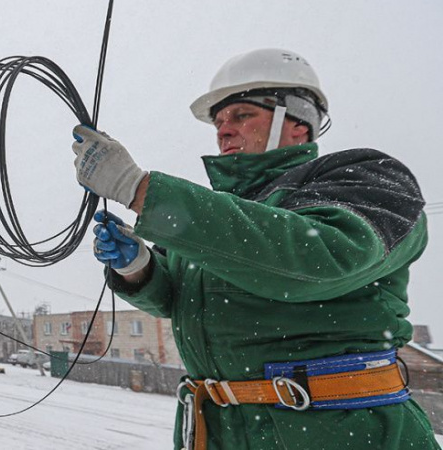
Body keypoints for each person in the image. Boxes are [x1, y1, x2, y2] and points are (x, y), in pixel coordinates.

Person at [71, 49, 439, 450]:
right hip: (220, 430)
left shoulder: (366, 180)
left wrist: (139, 190)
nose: (223, 130)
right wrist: (139, 268)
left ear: (298, 122)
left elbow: (317, 262)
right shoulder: (225, 213)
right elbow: (182, 300)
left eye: (241, 114)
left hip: (337, 428)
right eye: (219, 121)